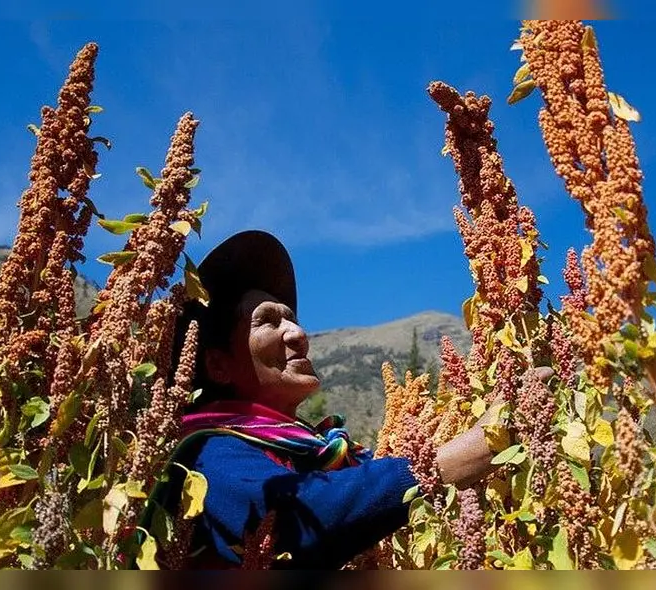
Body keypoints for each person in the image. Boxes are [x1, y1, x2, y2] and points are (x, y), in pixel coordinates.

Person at [149, 230, 531, 570]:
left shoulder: (325, 455)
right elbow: (297, 515)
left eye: (292, 318)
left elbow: (369, 485)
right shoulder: (203, 454)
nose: (298, 333)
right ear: (218, 365)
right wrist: (474, 448)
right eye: (268, 321)